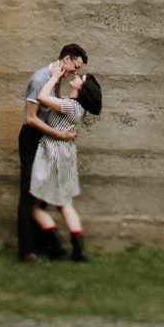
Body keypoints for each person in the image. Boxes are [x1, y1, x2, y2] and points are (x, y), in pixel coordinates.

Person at [17, 44, 86, 260]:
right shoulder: (40, 79)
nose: (75, 72)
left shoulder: (56, 77)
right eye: (76, 66)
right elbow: (31, 118)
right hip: (32, 139)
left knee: (42, 194)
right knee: (29, 194)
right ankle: (27, 251)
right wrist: (58, 135)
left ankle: (44, 245)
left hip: (46, 139)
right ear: (66, 59)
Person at [30, 66, 102, 261]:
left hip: (52, 154)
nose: (77, 75)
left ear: (82, 88)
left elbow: (43, 98)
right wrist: (60, 81)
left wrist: (54, 77)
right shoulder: (75, 105)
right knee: (64, 204)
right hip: (66, 155)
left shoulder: (71, 106)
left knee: (34, 208)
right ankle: (79, 249)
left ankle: (57, 244)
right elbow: (60, 100)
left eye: (82, 77)